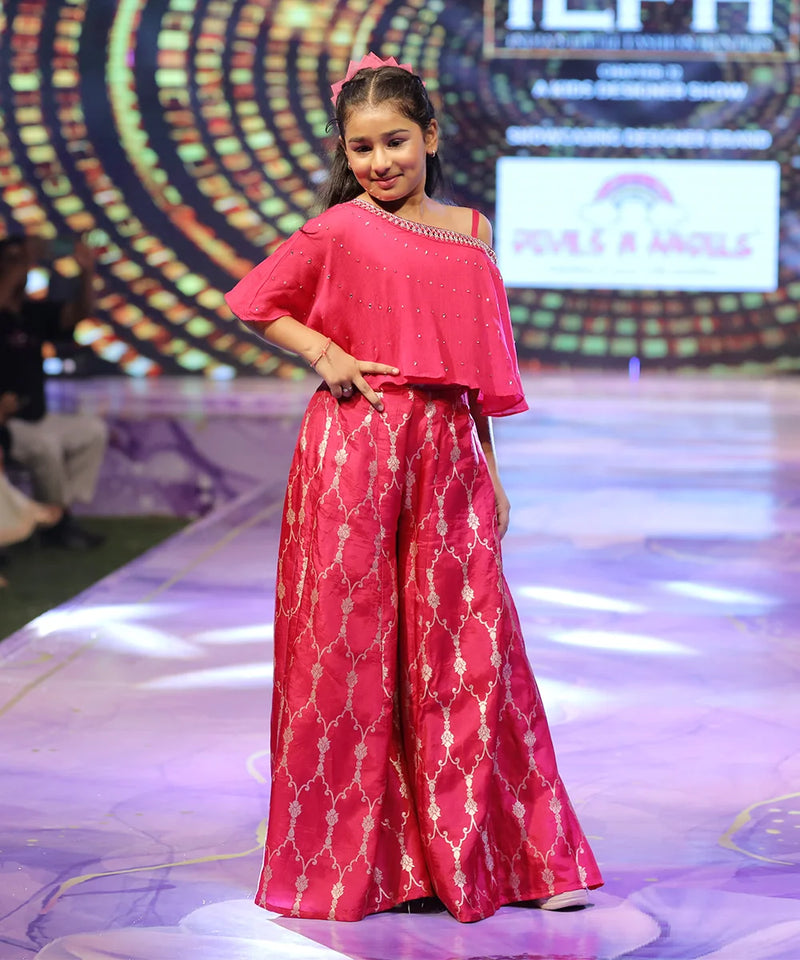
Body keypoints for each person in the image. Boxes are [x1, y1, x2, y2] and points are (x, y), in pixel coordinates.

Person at [225, 53, 603, 923]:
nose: (379, 161)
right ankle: (372, 867)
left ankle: (513, 858)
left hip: (447, 450)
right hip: (353, 446)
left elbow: (477, 369)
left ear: (430, 135)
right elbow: (255, 302)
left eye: (395, 140)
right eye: (361, 148)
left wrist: (492, 470)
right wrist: (326, 353)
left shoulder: (470, 230)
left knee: (470, 648)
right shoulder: (337, 230)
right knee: (349, 652)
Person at [0, 235, 108, 549]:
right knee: (45, 447)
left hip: (37, 415)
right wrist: (16, 266)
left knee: (92, 431)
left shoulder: (31, 314)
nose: (22, 266)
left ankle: (59, 514)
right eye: (12, 260)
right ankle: (55, 524)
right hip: (7, 423)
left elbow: (79, 313)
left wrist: (86, 272)